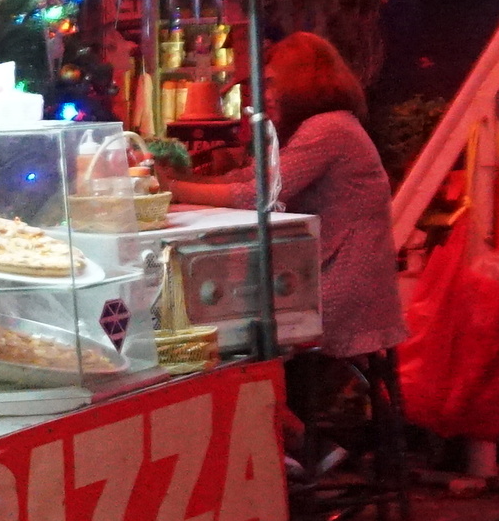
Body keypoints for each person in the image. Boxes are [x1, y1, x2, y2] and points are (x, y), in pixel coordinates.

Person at [170, 34, 400, 360]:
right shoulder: (327, 125)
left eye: (273, 84)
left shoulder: (327, 128)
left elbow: (258, 195)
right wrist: (184, 179)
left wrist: (174, 189)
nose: (266, 95)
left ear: (301, 81)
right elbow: (249, 178)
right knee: (242, 311)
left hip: (345, 285)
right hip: (343, 273)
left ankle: (267, 400)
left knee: (238, 325)